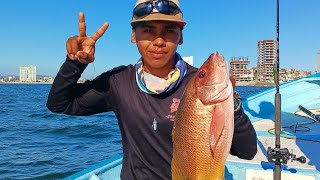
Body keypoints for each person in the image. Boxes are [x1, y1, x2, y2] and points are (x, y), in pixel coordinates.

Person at [46, 0, 257, 179]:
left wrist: (232, 105)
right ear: (133, 36)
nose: (158, 40)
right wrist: (74, 63)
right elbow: (59, 104)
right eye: (148, 30)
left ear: (180, 37)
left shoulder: (196, 82)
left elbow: (247, 151)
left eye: (169, 31)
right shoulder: (119, 81)